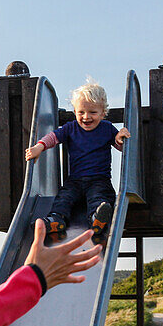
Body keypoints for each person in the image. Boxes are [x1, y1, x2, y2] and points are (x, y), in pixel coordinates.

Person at [24, 81, 130, 244]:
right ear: (75, 112)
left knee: (99, 197)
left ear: (103, 113)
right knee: (64, 197)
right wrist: (39, 146)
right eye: (81, 112)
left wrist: (120, 138)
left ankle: (97, 219)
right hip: (75, 180)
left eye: (92, 112)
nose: (86, 117)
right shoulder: (71, 128)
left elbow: (120, 147)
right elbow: (53, 137)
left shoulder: (107, 129)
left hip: (99, 179)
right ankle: (56, 219)